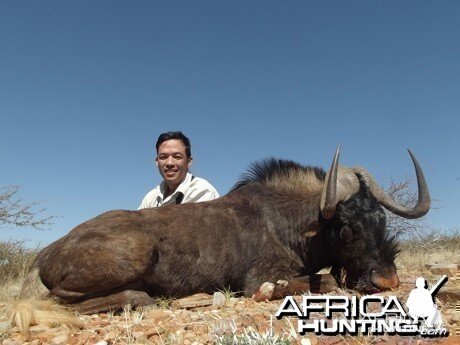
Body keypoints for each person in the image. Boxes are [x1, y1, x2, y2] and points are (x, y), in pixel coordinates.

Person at [138, 131, 219, 209]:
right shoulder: (150, 198)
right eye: (163, 157)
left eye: (177, 157)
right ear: (157, 162)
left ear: (189, 162)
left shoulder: (202, 191)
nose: (169, 163)